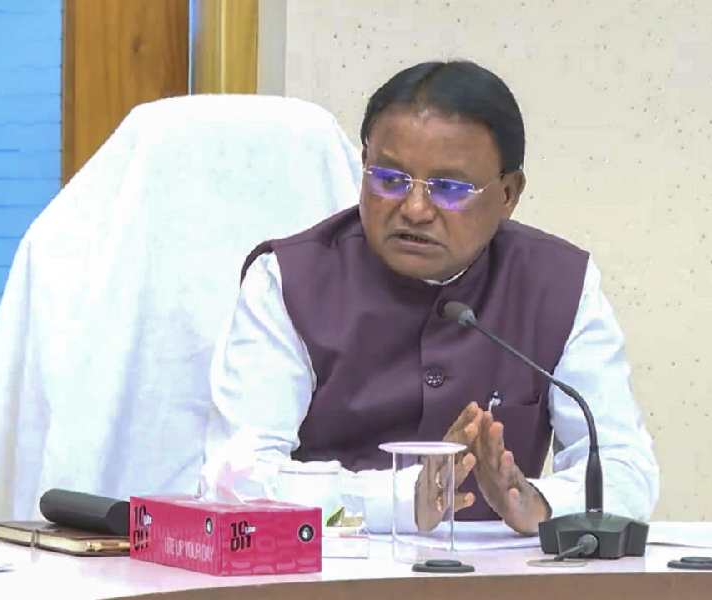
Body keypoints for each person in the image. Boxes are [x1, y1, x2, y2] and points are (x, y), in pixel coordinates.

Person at [204, 60, 659, 534]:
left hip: (499, 571)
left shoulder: (558, 284)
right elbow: (234, 479)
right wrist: (402, 499)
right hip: (331, 566)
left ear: (508, 193)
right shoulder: (289, 280)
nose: (415, 209)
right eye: (389, 179)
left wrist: (540, 503)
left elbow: (625, 470)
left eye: (449, 188)